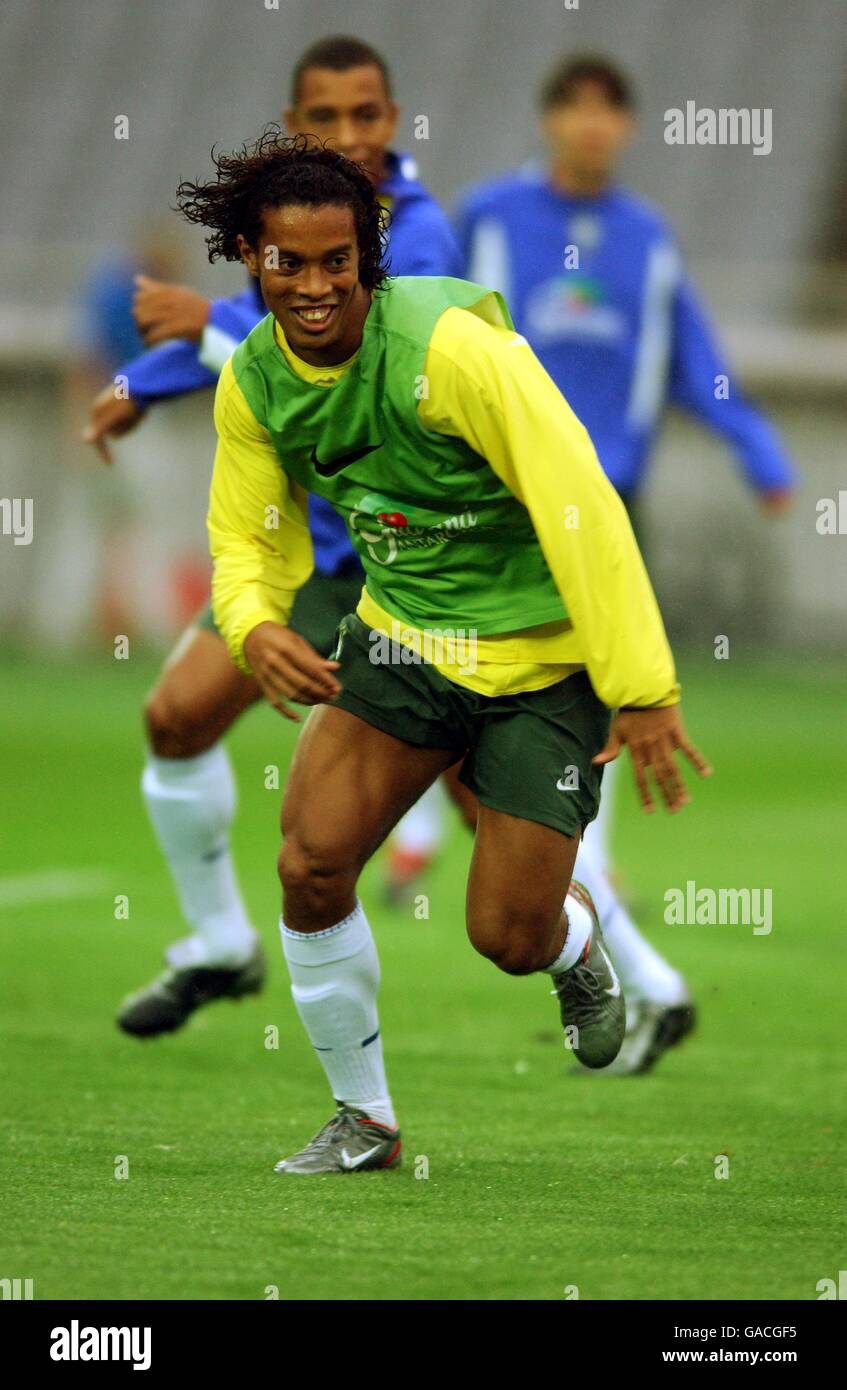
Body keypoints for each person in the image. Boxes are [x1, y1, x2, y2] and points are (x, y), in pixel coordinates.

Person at [192, 132, 711, 1174]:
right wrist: (254, 627)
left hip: (542, 660)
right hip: (404, 639)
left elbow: (581, 509)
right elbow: (244, 541)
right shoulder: (253, 384)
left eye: (337, 260)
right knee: (309, 860)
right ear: (251, 254)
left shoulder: (452, 350)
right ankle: (365, 1122)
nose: (313, 285)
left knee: (506, 936)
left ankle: (571, 948)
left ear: (366, 256)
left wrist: (640, 686)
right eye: (288, 262)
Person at [82, 37, 463, 1036]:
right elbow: (261, 345)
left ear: (394, 121)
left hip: (404, 562)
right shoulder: (293, 227)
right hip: (299, 557)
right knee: (174, 721)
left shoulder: (419, 241)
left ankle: (605, 959)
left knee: (492, 810)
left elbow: (345, 356)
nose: (349, 135)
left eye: (366, 115)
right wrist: (142, 384)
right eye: (325, 119)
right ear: (294, 129)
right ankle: (218, 945)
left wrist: (184, 328)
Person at [454, 55, 796, 1071]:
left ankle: (632, 974)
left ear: (627, 127)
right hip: (502, 514)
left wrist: (761, 451)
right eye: (575, 107)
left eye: (610, 110)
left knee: (561, 747)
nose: (591, 126)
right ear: (550, 117)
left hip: (604, 520)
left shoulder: (647, 240)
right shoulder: (488, 216)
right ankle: (639, 975)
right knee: (501, 754)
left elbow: (696, 357)